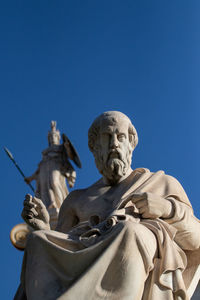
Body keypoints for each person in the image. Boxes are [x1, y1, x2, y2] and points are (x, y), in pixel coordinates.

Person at [15, 111, 200, 300]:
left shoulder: (160, 183)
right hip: (81, 256)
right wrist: (43, 227)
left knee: (128, 231)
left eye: (120, 136)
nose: (114, 143)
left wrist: (167, 209)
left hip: (131, 242)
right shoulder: (77, 199)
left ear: (130, 144)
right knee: (37, 240)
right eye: (107, 137)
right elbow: (60, 249)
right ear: (94, 148)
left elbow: (196, 239)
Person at [24, 121, 77, 228]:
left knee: (54, 183)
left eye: (54, 136)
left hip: (56, 167)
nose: (52, 138)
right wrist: (30, 178)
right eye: (51, 137)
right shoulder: (46, 152)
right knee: (45, 186)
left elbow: (71, 156)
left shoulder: (61, 148)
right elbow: (39, 169)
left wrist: (67, 147)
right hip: (44, 169)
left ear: (57, 137)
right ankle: (51, 203)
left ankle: (61, 205)